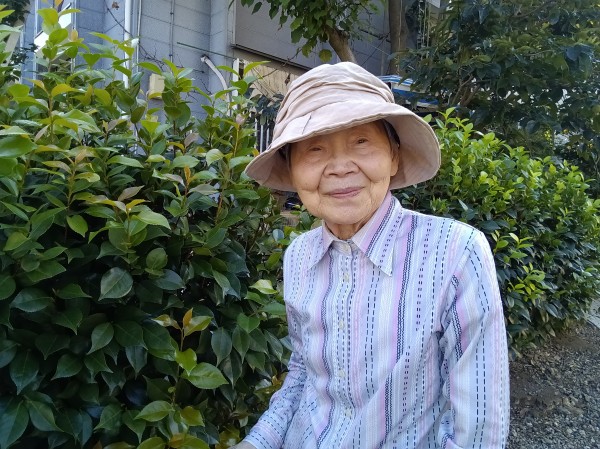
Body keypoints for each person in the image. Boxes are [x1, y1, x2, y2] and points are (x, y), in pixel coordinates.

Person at [235, 62, 509, 449]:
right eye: (314, 148)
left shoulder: (456, 253)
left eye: (361, 141)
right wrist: (257, 441)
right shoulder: (298, 255)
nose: (339, 168)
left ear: (394, 156)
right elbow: (304, 373)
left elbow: (477, 430)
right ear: (291, 170)